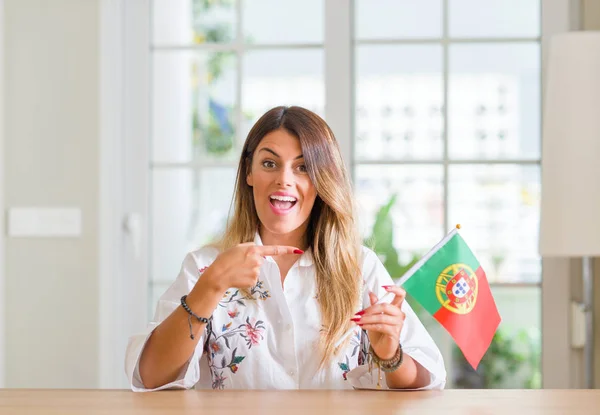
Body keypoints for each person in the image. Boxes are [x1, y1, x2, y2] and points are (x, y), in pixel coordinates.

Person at [125, 106, 446, 391]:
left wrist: (390, 355)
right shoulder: (206, 265)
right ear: (249, 172)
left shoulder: (360, 266)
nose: (284, 179)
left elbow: (425, 381)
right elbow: (151, 377)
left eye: (303, 167)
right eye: (269, 163)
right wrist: (210, 287)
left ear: (322, 181)